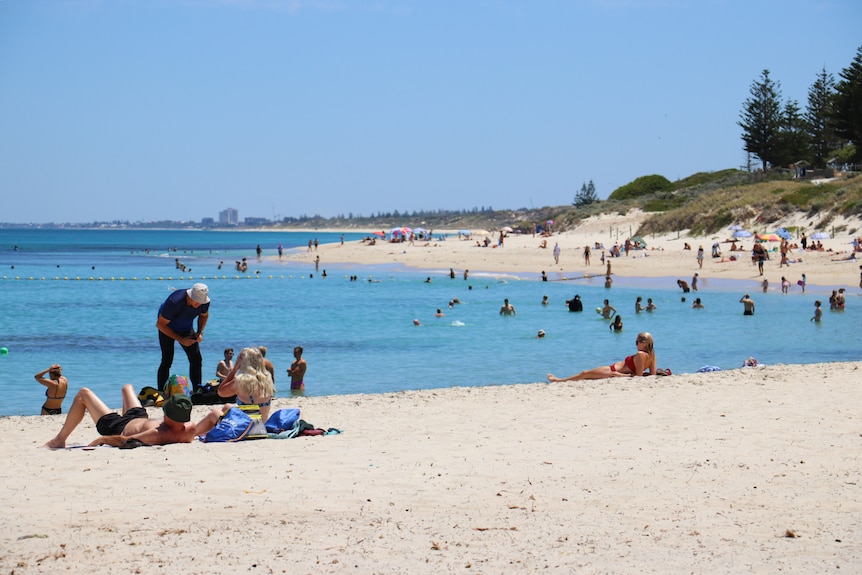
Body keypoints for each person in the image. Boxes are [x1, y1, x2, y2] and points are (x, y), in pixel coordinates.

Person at [41, 384, 227, 448]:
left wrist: (101, 439)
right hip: (138, 417)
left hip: (116, 425)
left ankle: (59, 439)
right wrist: (219, 413)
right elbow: (210, 421)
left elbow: (125, 441)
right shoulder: (189, 429)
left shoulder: (156, 434)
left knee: (83, 393)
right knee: (127, 388)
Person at [156, 283, 210, 393]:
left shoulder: (204, 303)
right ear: (189, 296)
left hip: (186, 327)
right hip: (167, 327)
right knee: (167, 359)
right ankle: (162, 391)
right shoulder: (174, 302)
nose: (198, 304)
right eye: (196, 301)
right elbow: (160, 324)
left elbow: (204, 316)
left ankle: (197, 389)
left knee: (196, 358)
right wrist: (181, 340)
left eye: (200, 302)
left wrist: (199, 332)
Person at [547, 332, 656, 382]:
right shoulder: (652, 355)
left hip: (612, 371)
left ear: (644, 343)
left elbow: (638, 376)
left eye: (637, 342)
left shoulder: (640, 355)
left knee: (584, 373)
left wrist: (620, 375)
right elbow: (652, 374)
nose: (636, 344)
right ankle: (561, 380)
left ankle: (559, 380)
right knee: (586, 375)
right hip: (613, 370)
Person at [217, 347, 275, 422]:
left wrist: (234, 370)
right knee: (227, 407)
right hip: (262, 427)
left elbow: (221, 392)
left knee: (214, 414)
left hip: (246, 428)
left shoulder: (241, 381)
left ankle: (198, 432)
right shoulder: (267, 379)